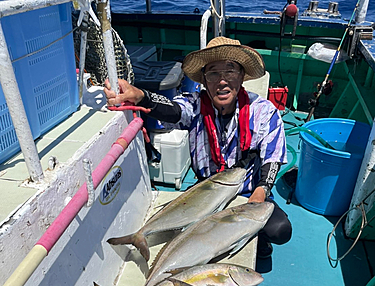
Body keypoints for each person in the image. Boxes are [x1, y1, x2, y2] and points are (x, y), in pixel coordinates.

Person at [104, 36, 292, 259]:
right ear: (204, 79)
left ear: (242, 76)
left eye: (230, 71)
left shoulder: (263, 111)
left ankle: (258, 240)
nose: (222, 81)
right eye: (213, 73)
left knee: (280, 230)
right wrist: (141, 96)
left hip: (249, 191)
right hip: (207, 191)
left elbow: (272, 158)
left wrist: (260, 194)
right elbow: (172, 110)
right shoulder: (194, 105)